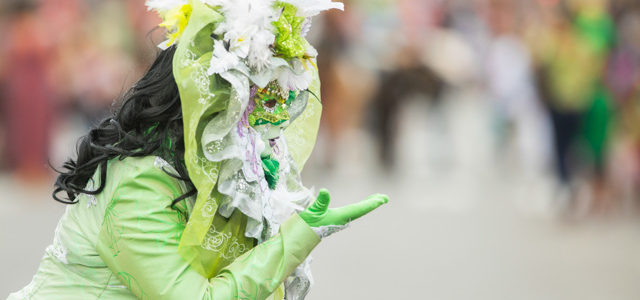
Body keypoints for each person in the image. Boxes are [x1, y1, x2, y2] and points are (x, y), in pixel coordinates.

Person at [7, 0, 388, 299]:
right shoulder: (140, 183)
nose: (271, 109)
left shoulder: (217, 165)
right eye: (256, 93)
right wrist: (297, 238)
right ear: (208, 95)